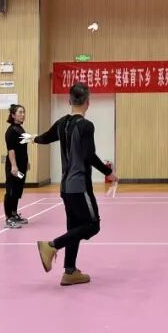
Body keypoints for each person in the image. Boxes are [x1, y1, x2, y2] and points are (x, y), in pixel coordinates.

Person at [33, 82, 116, 286]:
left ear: (69, 101)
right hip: (80, 186)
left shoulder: (62, 123)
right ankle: (52, 245)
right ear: (88, 102)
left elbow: (45, 138)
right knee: (92, 225)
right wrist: (108, 173)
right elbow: (89, 155)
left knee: (74, 227)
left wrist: (32, 138)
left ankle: (69, 271)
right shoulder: (85, 126)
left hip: (65, 187)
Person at [3, 103, 29, 228]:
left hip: (21, 166)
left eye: (23, 112)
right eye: (20, 112)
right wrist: (14, 166)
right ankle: (8, 218)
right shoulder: (11, 131)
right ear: (13, 115)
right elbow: (11, 150)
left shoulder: (20, 129)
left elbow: (22, 148)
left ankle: (14, 214)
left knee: (18, 190)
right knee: (11, 191)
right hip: (14, 167)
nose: (23, 114)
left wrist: (26, 162)